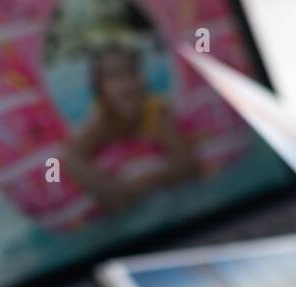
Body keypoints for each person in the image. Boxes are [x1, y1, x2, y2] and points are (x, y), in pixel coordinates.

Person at [62, 43, 200, 213]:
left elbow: (187, 165)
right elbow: (73, 157)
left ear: (141, 79)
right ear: (100, 89)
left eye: (130, 72)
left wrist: (147, 181)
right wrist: (111, 191)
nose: (124, 83)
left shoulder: (154, 112)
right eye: (112, 77)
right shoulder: (102, 120)